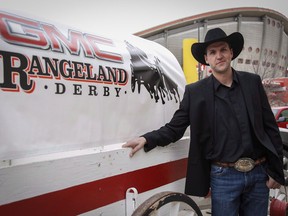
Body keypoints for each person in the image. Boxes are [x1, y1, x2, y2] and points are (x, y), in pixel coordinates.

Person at [122, 27, 285, 216]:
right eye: (213, 52)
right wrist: (147, 139)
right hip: (223, 178)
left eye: (223, 50)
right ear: (206, 59)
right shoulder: (195, 92)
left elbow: (270, 128)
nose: (219, 56)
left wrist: (276, 170)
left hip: (259, 173)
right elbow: (175, 128)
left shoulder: (252, 82)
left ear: (231, 52)